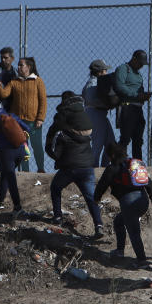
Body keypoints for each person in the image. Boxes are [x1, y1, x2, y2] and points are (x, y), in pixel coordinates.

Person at [47, 97, 105, 238]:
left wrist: (58, 160)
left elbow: (55, 151)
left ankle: (58, 217)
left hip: (69, 168)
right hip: (87, 168)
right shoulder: (85, 133)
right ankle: (98, 225)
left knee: (55, 187)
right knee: (91, 197)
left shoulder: (63, 133)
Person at [93, 143, 152, 266]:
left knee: (134, 232)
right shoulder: (134, 166)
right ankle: (120, 251)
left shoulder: (112, 168)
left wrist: (96, 199)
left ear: (112, 155)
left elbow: (102, 185)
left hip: (129, 202)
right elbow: (147, 181)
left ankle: (142, 260)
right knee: (118, 221)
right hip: (143, 200)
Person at [0, 57, 47, 172]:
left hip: (34, 121)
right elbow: (4, 94)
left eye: (21, 65)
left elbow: (43, 101)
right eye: (18, 65)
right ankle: (25, 171)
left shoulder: (38, 81)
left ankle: (41, 169)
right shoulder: (14, 82)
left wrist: (40, 118)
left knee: (37, 146)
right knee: (23, 147)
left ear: (29, 67)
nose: (18, 67)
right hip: (19, 122)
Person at [113, 49, 151, 160]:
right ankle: (119, 162)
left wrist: (143, 96)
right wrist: (136, 95)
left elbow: (140, 90)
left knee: (138, 139)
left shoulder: (138, 75)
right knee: (125, 137)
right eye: (140, 63)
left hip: (138, 108)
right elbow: (119, 86)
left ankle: (137, 163)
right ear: (134, 59)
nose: (141, 66)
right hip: (127, 107)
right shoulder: (123, 69)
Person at [82, 59, 118, 167]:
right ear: (99, 72)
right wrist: (107, 104)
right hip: (95, 113)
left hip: (100, 114)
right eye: (105, 70)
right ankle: (93, 168)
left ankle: (104, 167)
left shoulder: (97, 82)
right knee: (98, 142)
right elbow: (90, 100)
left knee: (110, 142)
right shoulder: (93, 83)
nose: (106, 72)